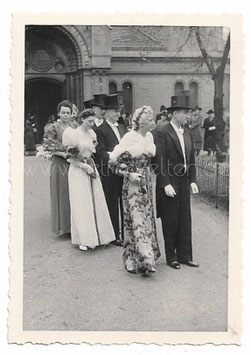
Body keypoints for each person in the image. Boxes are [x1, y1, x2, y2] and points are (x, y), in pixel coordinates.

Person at [109, 106, 161, 275]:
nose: (152, 123)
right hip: (132, 184)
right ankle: (137, 259)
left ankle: (146, 257)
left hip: (145, 182)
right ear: (140, 121)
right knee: (134, 220)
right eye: (150, 120)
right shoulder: (129, 136)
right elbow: (113, 162)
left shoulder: (150, 136)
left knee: (146, 218)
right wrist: (129, 173)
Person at [153, 95, 199, 270]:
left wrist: (192, 179)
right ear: (175, 114)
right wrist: (165, 183)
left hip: (184, 180)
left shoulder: (186, 132)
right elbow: (159, 160)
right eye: (186, 113)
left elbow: (191, 158)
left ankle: (185, 255)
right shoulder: (162, 132)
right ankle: (172, 257)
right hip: (170, 181)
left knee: (185, 218)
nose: (188, 117)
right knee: (170, 218)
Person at [62, 109, 116, 250]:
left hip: (91, 167)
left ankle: (99, 236)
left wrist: (92, 166)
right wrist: (84, 166)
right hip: (78, 170)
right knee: (81, 203)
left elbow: (94, 153)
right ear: (82, 119)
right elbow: (69, 158)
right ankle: (83, 239)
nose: (91, 124)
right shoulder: (73, 134)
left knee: (95, 200)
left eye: (93, 121)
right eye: (89, 121)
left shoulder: (92, 133)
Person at [94, 95, 127, 246]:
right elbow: (99, 152)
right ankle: (114, 234)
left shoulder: (122, 127)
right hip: (109, 171)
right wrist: (114, 161)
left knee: (124, 200)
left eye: (119, 111)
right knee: (112, 201)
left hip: (124, 170)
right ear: (107, 112)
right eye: (115, 111)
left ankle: (125, 231)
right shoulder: (99, 130)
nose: (118, 114)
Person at [43, 100, 73, 237]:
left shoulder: (74, 125)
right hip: (60, 162)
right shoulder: (53, 127)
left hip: (73, 162)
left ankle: (75, 226)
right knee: (63, 194)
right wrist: (63, 153)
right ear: (58, 113)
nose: (66, 115)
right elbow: (49, 146)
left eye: (68, 112)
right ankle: (64, 227)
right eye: (63, 112)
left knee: (74, 193)